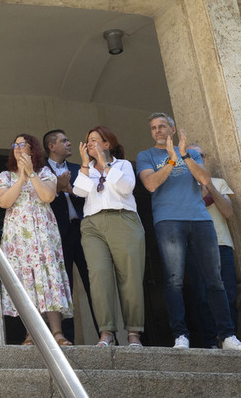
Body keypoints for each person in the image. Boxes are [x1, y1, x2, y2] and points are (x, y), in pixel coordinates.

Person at [135, 113, 241, 351]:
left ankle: (228, 336)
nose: (157, 131)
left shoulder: (192, 153)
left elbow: (204, 178)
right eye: (153, 128)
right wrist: (169, 160)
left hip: (200, 219)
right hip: (168, 221)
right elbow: (151, 184)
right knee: (174, 280)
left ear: (172, 129)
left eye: (162, 126)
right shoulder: (145, 156)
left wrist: (183, 154)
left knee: (214, 279)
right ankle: (181, 335)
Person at [0, 133, 73, 346]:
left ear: (33, 149)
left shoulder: (45, 172)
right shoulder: (5, 176)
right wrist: (21, 177)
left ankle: (57, 332)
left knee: (49, 277)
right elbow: (4, 201)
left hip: (43, 235)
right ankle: (31, 333)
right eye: (15, 145)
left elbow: (48, 196)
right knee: (25, 280)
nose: (18, 148)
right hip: (18, 239)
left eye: (23, 144)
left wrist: (31, 174)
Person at [71, 126, 145, 347]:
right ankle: (106, 333)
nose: (90, 144)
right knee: (99, 276)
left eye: (95, 140)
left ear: (107, 144)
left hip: (123, 219)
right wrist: (86, 164)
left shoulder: (122, 165)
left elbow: (125, 187)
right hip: (92, 225)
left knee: (130, 277)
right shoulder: (87, 169)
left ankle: (134, 333)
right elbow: (79, 192)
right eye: (87, 141)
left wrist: (107, 164)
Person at [43, 129, 97, 343]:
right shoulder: (40, 170)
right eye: (64, 141)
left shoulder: (80, 168)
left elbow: (92, 194)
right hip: (57, 235)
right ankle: (66, 338)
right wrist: (57, 188)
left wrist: (68, 188)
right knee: (63, 287)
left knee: (94, 283)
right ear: (51, 146)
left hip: (84, 231)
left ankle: (106, 335)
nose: (69, 143)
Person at [183, 143, 237, 348]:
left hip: (222, 244)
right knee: (201, 297)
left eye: (199, 155)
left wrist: (209, 185)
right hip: (195, 247)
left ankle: (231, 337)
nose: (195, 158)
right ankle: (210, 342)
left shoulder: (219, 183)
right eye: (189, 154)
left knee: (229, 293)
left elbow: (229, 212)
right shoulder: (180, 187)